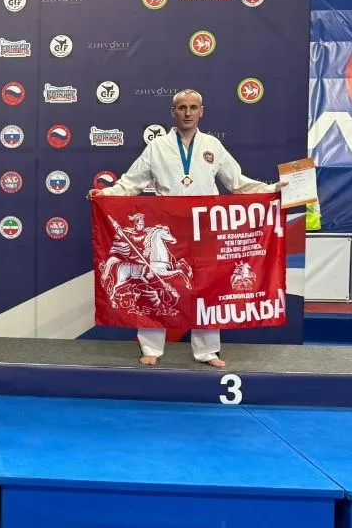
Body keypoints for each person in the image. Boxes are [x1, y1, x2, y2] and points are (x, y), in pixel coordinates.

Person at [88, 89, 285, 369]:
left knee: (208, 287)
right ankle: (151, 348)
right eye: (182, 108)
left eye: (193, 107)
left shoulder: (213, 145)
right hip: (168, 226)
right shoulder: (157, 147)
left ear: (201, 111)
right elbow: (130, 183)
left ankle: (207, 351)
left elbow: (237, 182)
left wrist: (271, 189)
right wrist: (106, 194)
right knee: (154, 282)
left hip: (205, 230)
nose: (188, 113)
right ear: (173, 112)